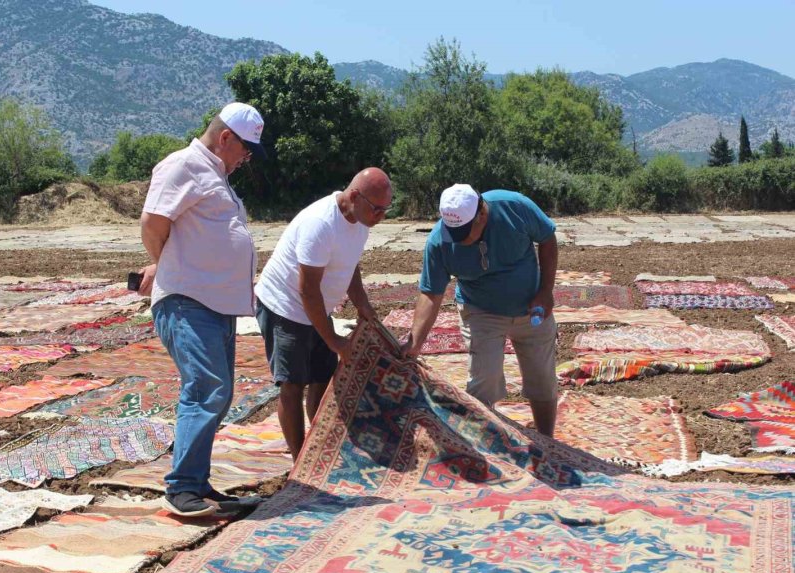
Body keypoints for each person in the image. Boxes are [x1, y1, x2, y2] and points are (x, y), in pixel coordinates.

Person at [137, 102, 268, 517]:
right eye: (245, 149)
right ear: (225, 137)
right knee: (206, 388)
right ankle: (182, 489)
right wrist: (169, 267)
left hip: (214, 303)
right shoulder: (183, 165)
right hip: (187, 299)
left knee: (218, 391)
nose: (246, 158)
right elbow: (153, 224)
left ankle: (197, 482)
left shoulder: (216, 175)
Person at [255, 168, 393, 458]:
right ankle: (299, 461)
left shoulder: (360, 219)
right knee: (292, 384)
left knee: (322, 377)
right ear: (355, 196)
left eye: (386, 209)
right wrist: (334, 340)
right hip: (285, 306)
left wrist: (362, 304)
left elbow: (350, 264)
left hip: (315, 306)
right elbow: (307, 290)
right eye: (378, 208)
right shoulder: (320, 224)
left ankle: (319, 446)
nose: (381, 216)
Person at [402, 184, 560, 437]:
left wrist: (546, 291)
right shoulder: (439, 242)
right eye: (454, 232)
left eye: (465, 231)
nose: (459, 239)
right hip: (480, 310)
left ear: (482, 214)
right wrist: (415, 343)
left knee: (541, 377)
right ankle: (484, 445)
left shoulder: (514, 206)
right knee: (484, 377)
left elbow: (547, 238)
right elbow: (431, 293)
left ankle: (548, 440)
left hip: (531, 307)